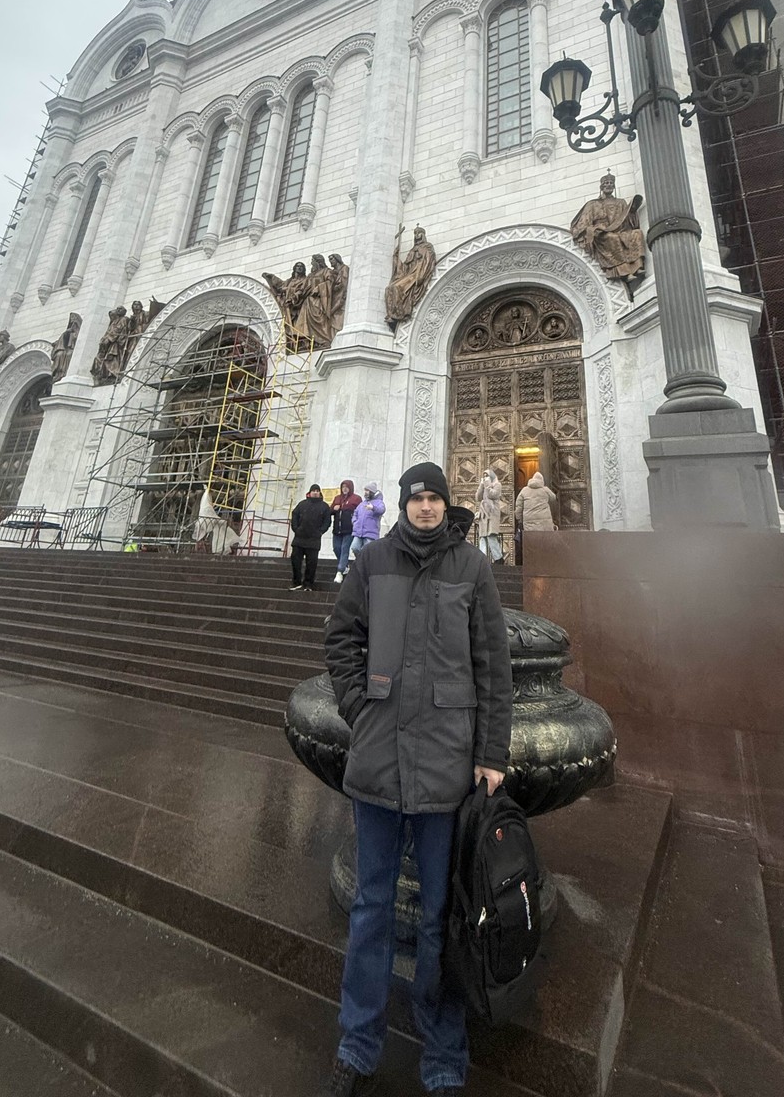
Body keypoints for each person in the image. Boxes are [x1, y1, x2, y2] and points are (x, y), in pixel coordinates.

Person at [322, 461, 513, 1097]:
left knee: (439, 918)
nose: (426, 506)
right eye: (417, 497)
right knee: (371, 908)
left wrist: (491, 753)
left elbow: (493, 666)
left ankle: (442, 1055)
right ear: (402, 503)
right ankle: (357, 1043)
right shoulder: (375, 561)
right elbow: (342, 638)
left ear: (446, 505)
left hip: (445, 768)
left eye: (435, 498)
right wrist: (356, 705)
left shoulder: (472, 568)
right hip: (379, 765)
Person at [289, 483, 332, 590]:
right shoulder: (302, 504)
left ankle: (308, 583)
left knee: (311, 563)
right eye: (314, 491)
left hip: (314, 540)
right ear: (310, 492)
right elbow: (294, 515)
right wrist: (296, 529)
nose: (316, 492)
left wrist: (320, 532)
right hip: (299, 538)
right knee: (295, 560)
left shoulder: (324, 506)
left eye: (317, 491)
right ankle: (296, 582)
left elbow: (327, 521)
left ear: (320, 493)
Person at [330, 480, 362, 584]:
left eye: (347, 487)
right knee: (336, 548)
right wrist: (334, 509)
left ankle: (339, 572)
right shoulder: (337, 498)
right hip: (337, 530)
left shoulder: (356, 499)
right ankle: (345, 565)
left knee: (344, 549)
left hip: (349, 530)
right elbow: (330, 511)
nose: (345, 488)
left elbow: (360, 512)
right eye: (343, 486)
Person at [349, 481, 385, 560]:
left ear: (372, 492)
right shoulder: (362, 503)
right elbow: (355, 513)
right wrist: (355, 522)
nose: (365, 492)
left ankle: (366, 564)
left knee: (368, 552)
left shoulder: (379, 502)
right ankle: (361, 561)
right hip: (358, 532)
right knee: (354, 547)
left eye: (367, 490)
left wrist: (373, 508)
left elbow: (381, 510)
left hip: (370, 533)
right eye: (365, 490)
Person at [514, 471, 558, 536]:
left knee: (531, 542)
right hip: (545, 523)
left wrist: (519, 520)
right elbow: (553, 498)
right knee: (545, 541)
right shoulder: (545, 490)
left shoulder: (524, 490)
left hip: (529, 523)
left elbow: (519, 507)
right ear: (542, 481)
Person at [474, 468, 503, 563]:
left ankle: (498, 558)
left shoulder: (497, 485)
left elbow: (493, 495)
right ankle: (483, 559)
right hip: (484, 514)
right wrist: (481, 486)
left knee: (491, 536)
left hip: (492, 513)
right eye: (484, 476)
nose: (485, 478)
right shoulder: (484, 485)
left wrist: (487, 486)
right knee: (482, 537)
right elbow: (478, 497)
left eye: (487, 475)